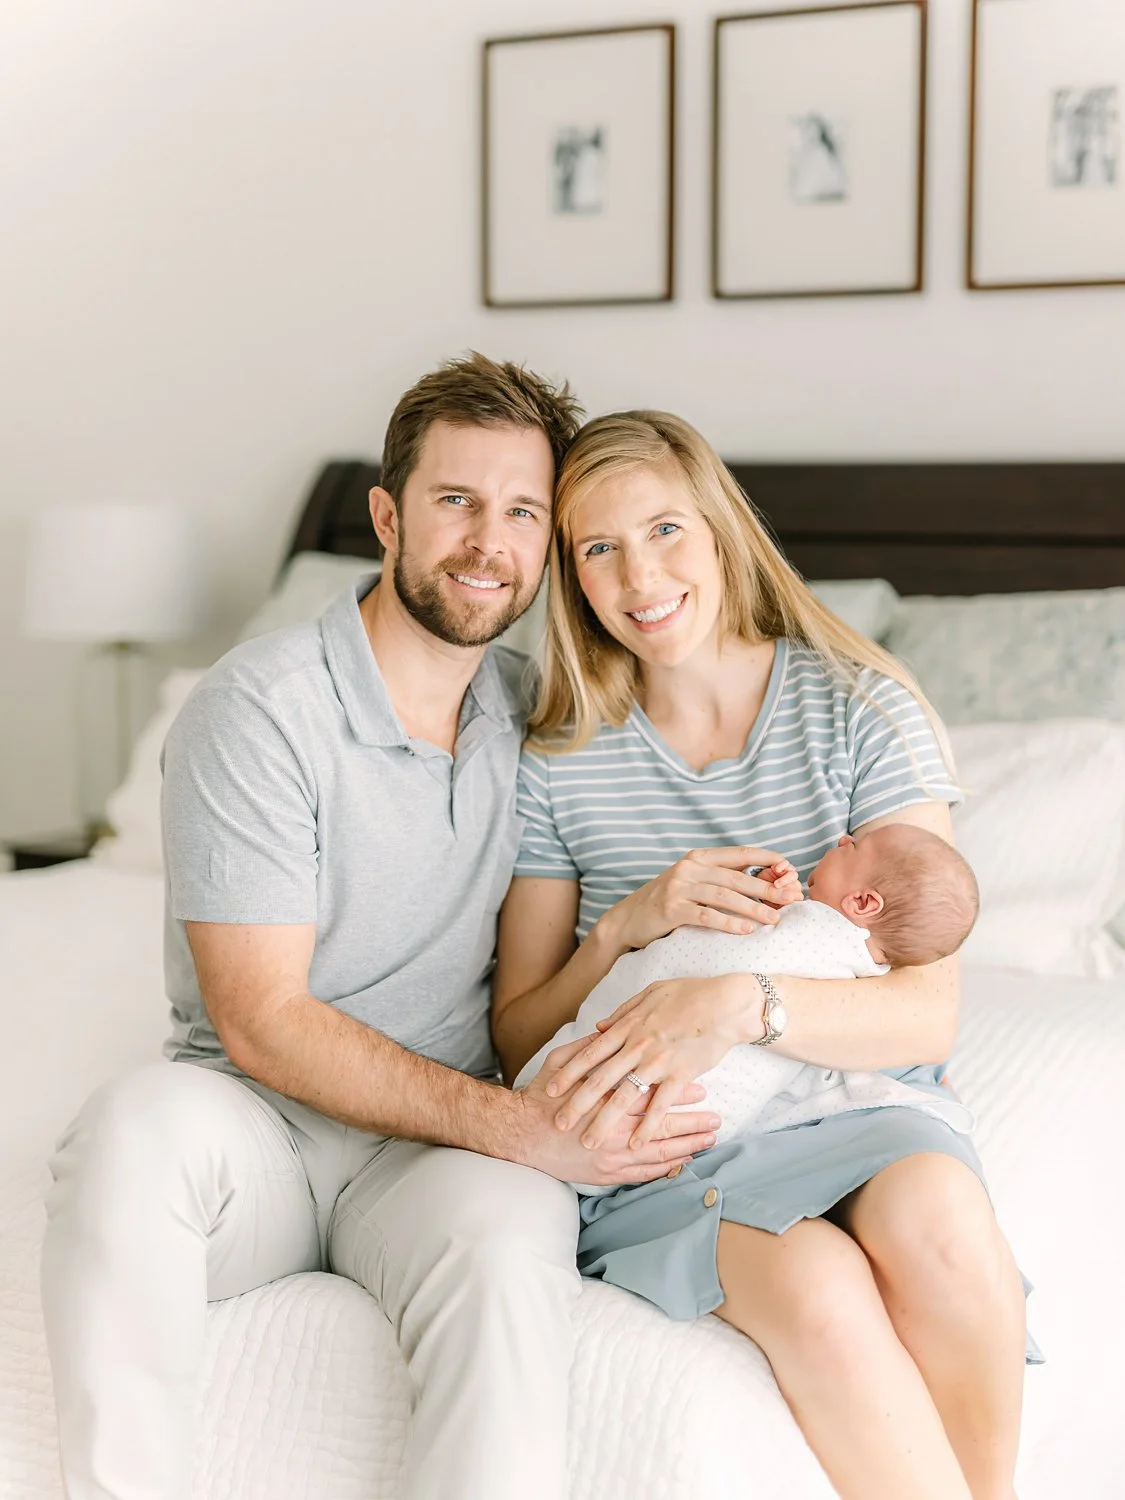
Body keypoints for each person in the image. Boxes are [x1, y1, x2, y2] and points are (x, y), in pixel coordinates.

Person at [38, 357, 722, 1500]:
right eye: (456, 501)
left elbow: (705, 767)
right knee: (129, 1132)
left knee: (513, 1231)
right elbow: (261, 1021)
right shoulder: (260, 709)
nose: (487, 543)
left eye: (522, 513)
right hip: (257, 1128)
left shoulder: (540, 715)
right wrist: (519, 1126)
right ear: (389, 516)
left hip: (430, 1166)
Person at [492, 411, 1035, 1500]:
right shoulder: (558, 759)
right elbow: (516, 1039)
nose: (641, 577)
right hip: (671, 1145)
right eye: (599, 549)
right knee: (820, 1292)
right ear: (570, 574)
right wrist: (626, 927)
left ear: (719, 527)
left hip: (858, 1104)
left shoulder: (860, 708)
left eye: (664, 530)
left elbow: (925, 1011)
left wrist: (738, 1005)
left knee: (941, 1230)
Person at [516, 824, 981, 1195]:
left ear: (862, 902)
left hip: (579, 1096)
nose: (841, 839)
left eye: (853, 847)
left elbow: (748, 942)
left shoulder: (819, 938)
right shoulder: (853, 975)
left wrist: (764, 901)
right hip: (678, 1145)